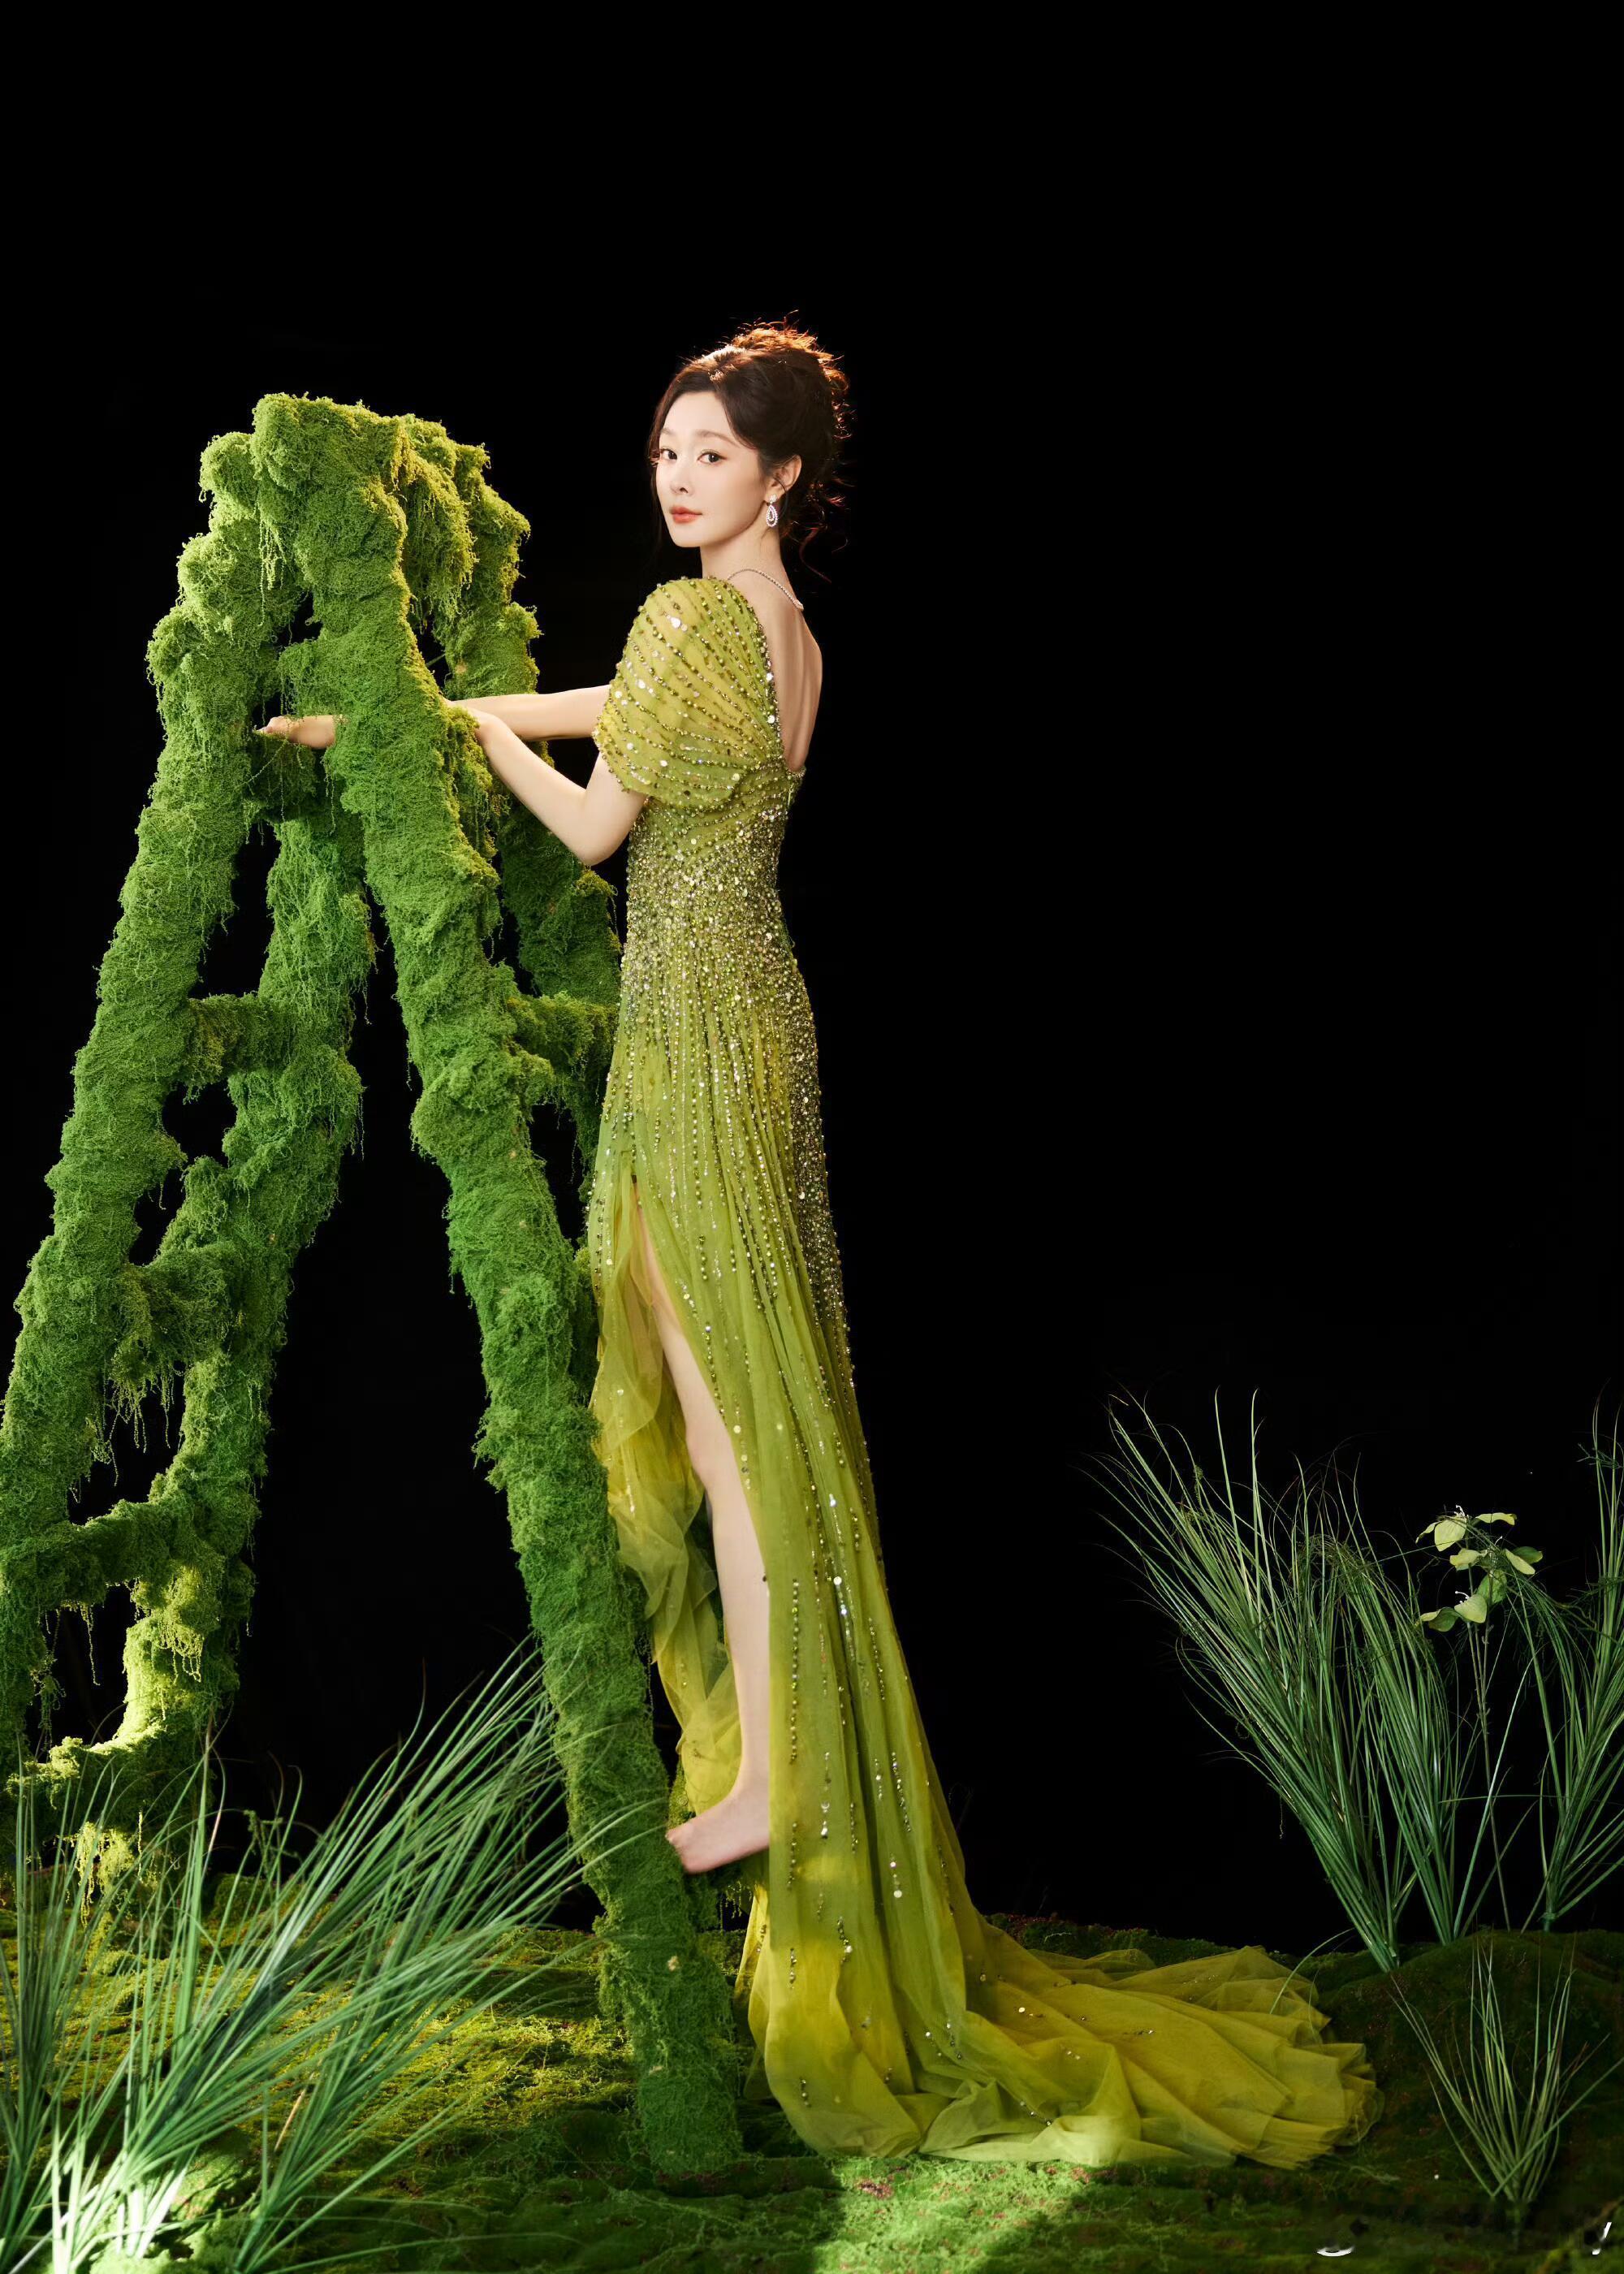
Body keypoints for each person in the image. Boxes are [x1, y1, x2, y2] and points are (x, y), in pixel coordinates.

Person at [264, 322, 1384, 2168]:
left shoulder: (689, 622)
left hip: (699, 1041)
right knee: (750, 1420)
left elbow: (603, 822)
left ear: (782, 474)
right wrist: (439, 715)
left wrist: (453, 737)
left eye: (711, 452)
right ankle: (782, 1767)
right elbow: (622, 716)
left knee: (736, 1436)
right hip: (755, 1023)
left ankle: (776, 1776)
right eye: (667, 447)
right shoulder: (781, 638)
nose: (676, 475)